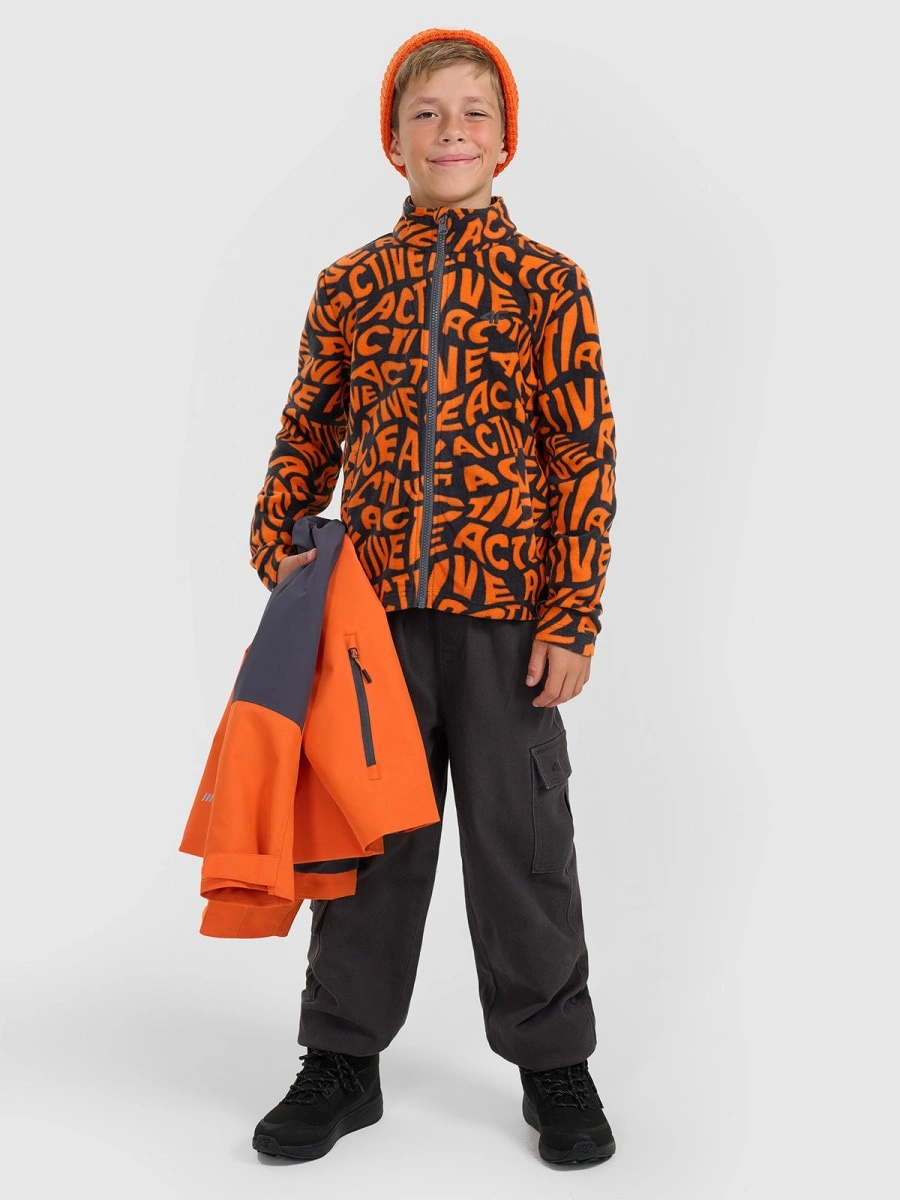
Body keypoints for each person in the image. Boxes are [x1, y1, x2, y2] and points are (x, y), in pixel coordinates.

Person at [247, 27, 617, 1168]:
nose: (451, 130)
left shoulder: (549, 283)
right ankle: (341, 1057)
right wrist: (279, 541)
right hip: (372, 625)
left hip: (509, 624)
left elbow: (583, 456)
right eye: (427, 113)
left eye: (474, 112)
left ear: (505, 142)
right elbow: (308, 430)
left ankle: (554, 1061)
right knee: (370, 842)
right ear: (394, 140)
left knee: (523, 843)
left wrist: (572, 614)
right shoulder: (350, 286)